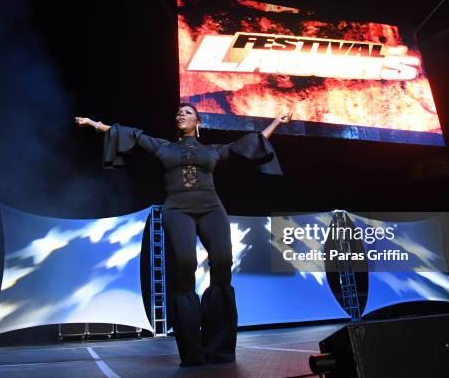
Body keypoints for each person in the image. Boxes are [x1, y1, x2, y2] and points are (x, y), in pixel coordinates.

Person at [75, 104, 292, 366]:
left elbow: (250, 144)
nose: (181, 114)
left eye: (187, 112)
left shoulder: (212, 150)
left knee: (223, 262)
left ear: (198, 121)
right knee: (185, 266)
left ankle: (219, 348)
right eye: (178, 112)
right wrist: (93, 123)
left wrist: (276, 123)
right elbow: (129, 134)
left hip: (212, 207)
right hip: (177, 208)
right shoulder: (163, 146)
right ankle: (192, 351)